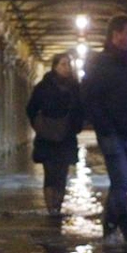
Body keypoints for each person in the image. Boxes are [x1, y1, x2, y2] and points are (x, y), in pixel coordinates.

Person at [79, 15, 127, 250]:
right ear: (115, 35)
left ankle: (109, 225)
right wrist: (105, 126)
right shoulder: (100, 62)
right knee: (120, 182)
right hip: (112, 135)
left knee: (120, 183)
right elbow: (89, 98)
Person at [25, 53, 84, 218]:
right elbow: (31, 108)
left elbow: (81, 109)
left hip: (67, 136)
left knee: (62, 173)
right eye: (63, 64)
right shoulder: (43, 87)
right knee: (50, 173)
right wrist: (39, 125)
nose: (67, 68)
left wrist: (76, 125)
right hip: (47, 137)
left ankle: (58, 205)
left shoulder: (75, 87)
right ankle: (51, 208)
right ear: (55, 66)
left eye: (68, 64)